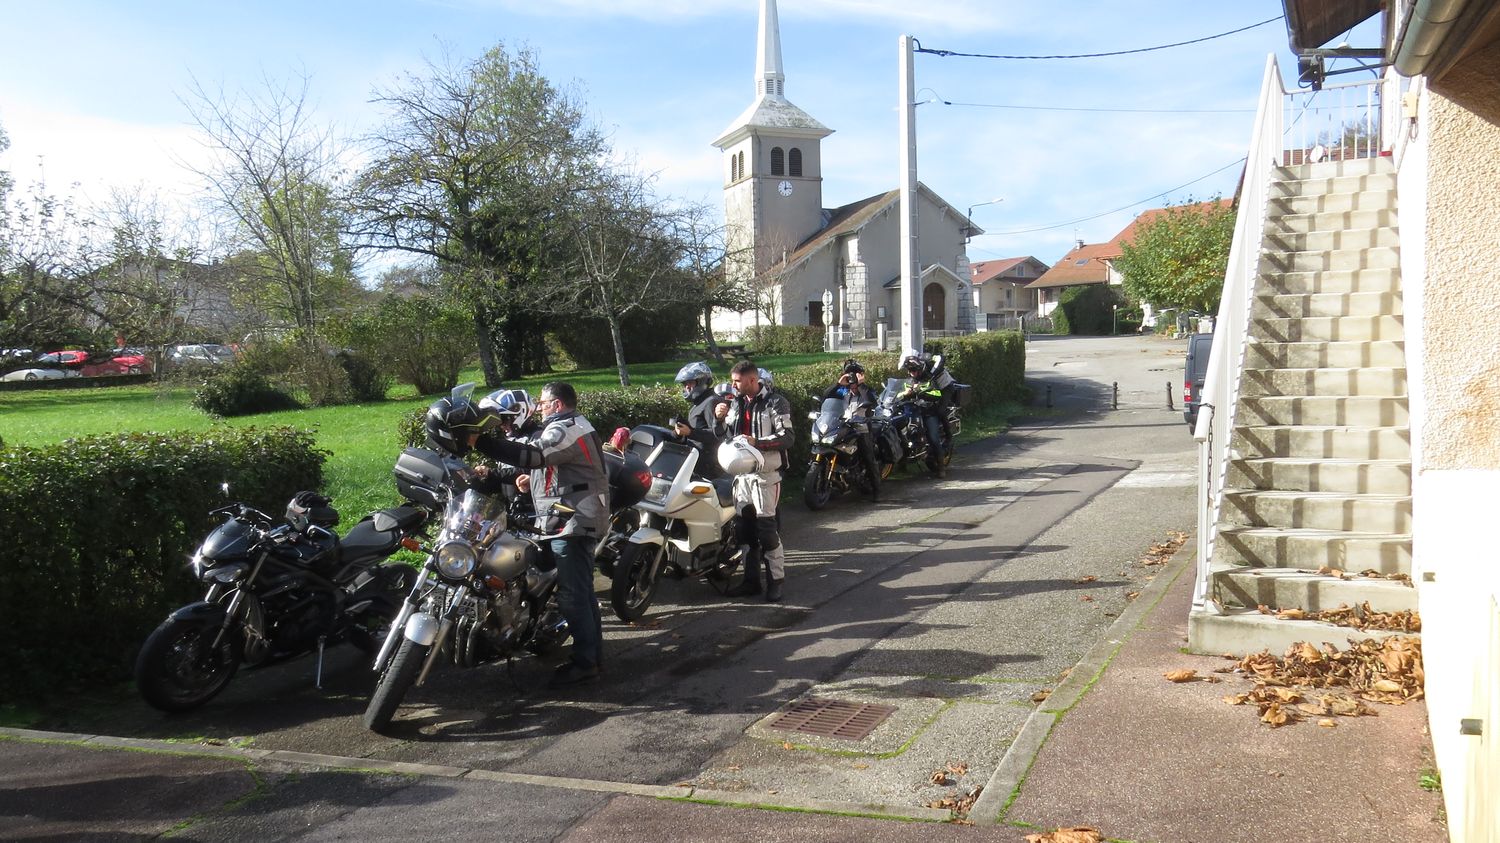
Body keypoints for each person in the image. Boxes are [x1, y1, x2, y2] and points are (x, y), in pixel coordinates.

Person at [474, 382, 609, 687]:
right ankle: (592, 658)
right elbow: (552, 467)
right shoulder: (569, 426)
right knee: (582, 595)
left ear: (558, 404)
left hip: (575, 522)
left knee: (574, 598)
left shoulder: (567, 427)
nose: (540, 407)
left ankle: (586, 663)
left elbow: (534, 454)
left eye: (544, 402)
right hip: (570, 519)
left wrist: (479, 442)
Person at [712, 361, 793, 602]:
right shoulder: (735, 403)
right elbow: (723, 436)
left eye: (737, 380)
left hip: (766, 476)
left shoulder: (776, 402)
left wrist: (757, 442)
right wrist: (719, 420)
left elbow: (787, 437)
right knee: (743, 531)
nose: (733, 384)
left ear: (751, 380)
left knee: (767, 531)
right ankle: (750, 582)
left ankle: (775, 582)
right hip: (741, 476)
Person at [823, 358, 883, 501]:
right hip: (843, 427)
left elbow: (871, 401)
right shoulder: (843, 391)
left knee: (869, 458)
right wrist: (838, 384)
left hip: (861, 429)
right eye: (849, 374)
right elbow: (825, 397)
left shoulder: (866, 390)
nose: (852, 378)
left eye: (855, 374)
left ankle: (877, 490)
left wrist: (861, 385)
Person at [901, 352, 956, 479]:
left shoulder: (930, 367)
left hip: (945, 387)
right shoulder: (914, 376)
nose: (911, 373)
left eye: (914, 370)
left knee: (937, 420)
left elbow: (935, 393)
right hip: (926, 398)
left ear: (920, 367)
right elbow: (911, 389)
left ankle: (941, 465)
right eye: (909, 370)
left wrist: (922, 393)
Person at [672, 361, 727, 476]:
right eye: (685, 383)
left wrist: (690, 432)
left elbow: (718, 435)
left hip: (710, 467)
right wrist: (681, 432)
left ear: (702, 382)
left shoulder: (711, 401)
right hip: (697, 461)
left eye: (691, 382)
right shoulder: (699, 402)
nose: (687, 387)